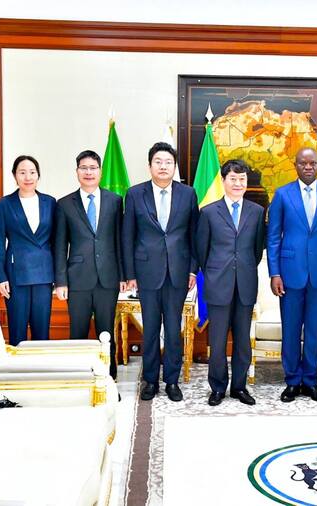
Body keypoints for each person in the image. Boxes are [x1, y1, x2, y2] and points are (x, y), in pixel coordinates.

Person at [267, 147, 317, 403]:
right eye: (303, 163)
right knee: (290, 330)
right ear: (296, 165)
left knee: (314, 330)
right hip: (290, 274)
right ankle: (292, 381)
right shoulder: (282, 194)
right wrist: (274, 272)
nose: (308, 167)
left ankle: (310, 381)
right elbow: (273, 237)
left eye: (312, 163)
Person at [122, 142, 199, 402]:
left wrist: (192, 270)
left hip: (178, 271)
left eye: (168, 162)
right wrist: (130, 274)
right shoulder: (135, 194)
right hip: (147, 272)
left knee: (174, 328)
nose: (163, 166)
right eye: (158, 162)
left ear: (174, 166)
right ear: (150, 166)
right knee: (151, 328)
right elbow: (127, 236)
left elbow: (194, 235)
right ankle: (151, 380)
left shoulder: (188, 194)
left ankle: (172, 381)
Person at [195, 159, 265, 406]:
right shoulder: (208, 212)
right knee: (217, 342)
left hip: (245, 284)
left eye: (242, 179)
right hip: (218, 285)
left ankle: (239, 387)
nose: (238, 183)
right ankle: (217, 388)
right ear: (223, 181)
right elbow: (202, 251)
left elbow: (257, 250)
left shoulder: (257, 212)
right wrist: (216, 271)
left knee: (243, 342)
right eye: (233, 179)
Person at [54, 150, 124, 380]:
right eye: (83, 168)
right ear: (77, 172)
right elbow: (60, 245)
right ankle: (79, 378)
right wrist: (61, 281)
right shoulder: (65, 204)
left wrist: (123, 275)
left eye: (93, 168)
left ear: (100, 171)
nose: (88, 172)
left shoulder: (115, 201)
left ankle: (109, 379)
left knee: (107, 332)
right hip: (77, 279)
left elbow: (120, 241)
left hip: (108, 278)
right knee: (78, 332)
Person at [0, 155, 56, 346]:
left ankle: (41, 364)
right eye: (22, 172)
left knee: (42, 332)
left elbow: (57, 241)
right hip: (15, 275)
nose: (28, 177)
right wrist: (1, 276)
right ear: (15, 176)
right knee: (17, 331)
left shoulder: (50, 202)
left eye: (32, 172)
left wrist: (59, 276)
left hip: (44, 274)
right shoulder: (5, 203)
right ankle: (17, 365)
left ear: (38, 175)